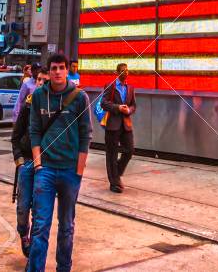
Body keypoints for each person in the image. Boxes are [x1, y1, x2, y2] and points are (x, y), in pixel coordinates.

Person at [27, 52, 91, 272]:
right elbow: (34, 131)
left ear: (67, 70)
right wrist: (38, 165)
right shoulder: (38, 96)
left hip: (70, 171)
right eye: (53, 68)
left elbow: (86, 135)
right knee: (40, 226)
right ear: (49, 70)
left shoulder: (80, 97)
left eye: (61, 68)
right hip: (45, 169)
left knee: (66, 226)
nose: (57, 72)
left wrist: (79, 171)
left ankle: (64, 267)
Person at [11, 66, 47, 256]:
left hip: (46, 165)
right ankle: (23, 234)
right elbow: (16, 136)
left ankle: (34, 246)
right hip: (26, 161)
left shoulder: (55, 107)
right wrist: (19, 159)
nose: (41, 83)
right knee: (23, 207)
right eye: (39, 80)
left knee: (40, 210)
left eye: (45, 81)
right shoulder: (28, 105)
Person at [101, 62, 136, 193]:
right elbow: (103, 103)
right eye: (122, 70)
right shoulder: (110, 86)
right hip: (112, 124)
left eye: (126, 70)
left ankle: (116, 173)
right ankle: (114, 183)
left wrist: (129, 110)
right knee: (112, 154)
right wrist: (118, 108)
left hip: (126, 124)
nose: (125, 72)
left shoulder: (130, 88)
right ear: (116, 73)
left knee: (129, 149)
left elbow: (133, 105)